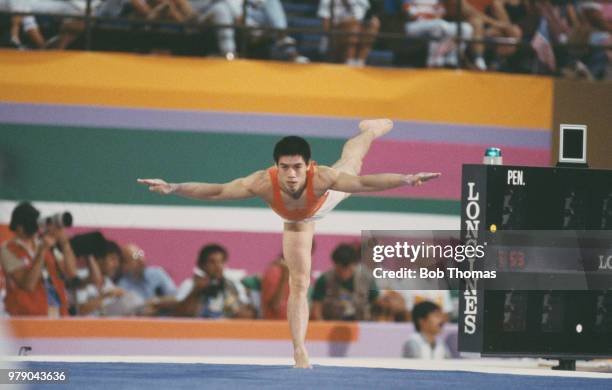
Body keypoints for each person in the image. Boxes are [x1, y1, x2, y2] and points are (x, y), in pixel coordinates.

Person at [138, 118, 441, 368]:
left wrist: (406, 178)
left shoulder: (321, 177)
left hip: (324, 202)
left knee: (352, 162)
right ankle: (299, 351)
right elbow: (217, 190)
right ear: (276, 166)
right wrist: (173, 187)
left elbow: (364, 184)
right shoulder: (261, 182)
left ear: (309, 165)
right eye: (285, 167)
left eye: (298, 167)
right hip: (297, 223)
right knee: (299, 283)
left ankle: (370, 131)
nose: (292, 174)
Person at [0, 202, 77, 317]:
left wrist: (64, 243)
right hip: (26, 318)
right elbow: (28, 284)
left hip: (56, 314)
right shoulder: (7, 249)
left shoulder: (45, 243)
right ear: (18, 227)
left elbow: (71, 272)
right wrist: (41, 251)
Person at [174, 243, 255, 318]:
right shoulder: (190, 284)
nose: (218, 266)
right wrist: (196, 291)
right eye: (212, 262)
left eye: (221, 262)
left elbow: (247, 313)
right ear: (202, 265)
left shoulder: (233, 285)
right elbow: (180, 314)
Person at [311, 243, 379, 321]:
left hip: (360, 324)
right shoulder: (324, 280)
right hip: (331, 323)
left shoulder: (366, 278)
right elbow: (316, 309)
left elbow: (376, 302)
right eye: (340, 270)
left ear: (355, 264)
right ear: (335, 264)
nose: (344, 274)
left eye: (348, 269)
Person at [118, 243, 178, 316]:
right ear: (125, 266)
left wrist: (157, 302)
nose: (141, 260)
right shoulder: (122, 286)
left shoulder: (157, 274)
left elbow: (176, 298)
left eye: (140, 254)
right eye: (135, 257)